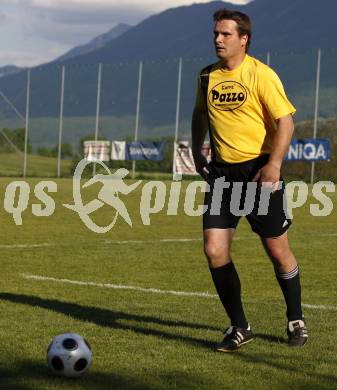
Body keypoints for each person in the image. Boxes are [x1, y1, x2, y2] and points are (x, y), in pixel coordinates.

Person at [191, 8, 308, 352]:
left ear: (244, 39)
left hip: (258, 172)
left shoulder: (261, 75)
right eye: (216, 34)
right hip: (222, 175)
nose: (218, 40)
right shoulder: (206, 77)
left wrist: (274, 165)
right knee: (214, 250)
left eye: (226, 34)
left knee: (277, 249)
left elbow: (285, 121)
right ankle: (240, 326)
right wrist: (198, 152)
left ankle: (296, 318)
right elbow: (199, 113)